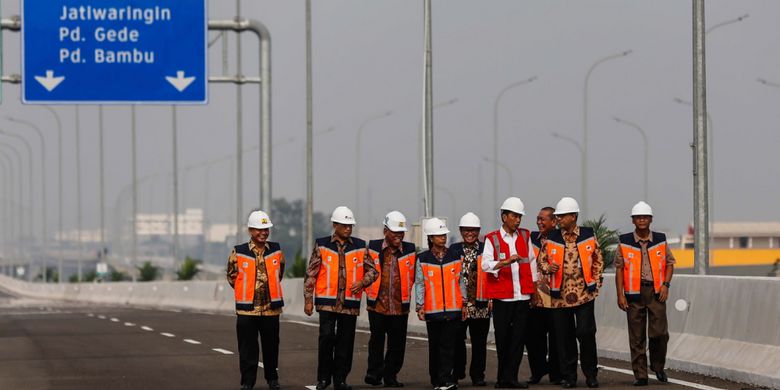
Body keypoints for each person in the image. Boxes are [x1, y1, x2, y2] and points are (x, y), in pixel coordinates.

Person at [304, 206, 378, 390]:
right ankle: (323, 379)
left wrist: (362, 282)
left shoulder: (360, 246)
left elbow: (373, 271)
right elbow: (311, 273)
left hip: (350, 303)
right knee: (326, 339)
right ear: (335, 225)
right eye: (344, 225)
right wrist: (307, 299)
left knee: (346, 342)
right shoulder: (321, 245)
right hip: (327, 303)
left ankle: (341, 380)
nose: (348, 228)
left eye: (350, 225)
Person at [537, 197, 604, 389]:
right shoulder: (552, 238)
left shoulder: (588, 235)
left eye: (562, 216)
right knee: (564, 338)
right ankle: (569, 377)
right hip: (559, 296)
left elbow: (598, 259)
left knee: (586, 333)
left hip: (584, 295)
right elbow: (541, 262)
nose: (558, 219)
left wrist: (596, 282)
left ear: (573, 216)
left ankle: (591, 374)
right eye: (557, 216)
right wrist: (548, 268)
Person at [614, 201, 675, 386]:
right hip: (633, 293)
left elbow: (670, 264)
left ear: (651, 219)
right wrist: (620, 294)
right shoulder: (624, 241)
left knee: (659, 333)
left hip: (656, 292)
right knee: (636, 336)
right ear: (633, 221)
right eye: (638, 217)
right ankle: (640, 374)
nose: (642, 220)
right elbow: (619, 269)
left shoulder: (660, 240)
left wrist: (666, 285)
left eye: (645, 217)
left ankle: (657, 366)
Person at [481, 197, 538, 389]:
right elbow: (485, 265)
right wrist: (504, 262)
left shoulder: (525, 236)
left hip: (522, 296)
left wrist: (534, 292)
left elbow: (532, 263)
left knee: (518, 339)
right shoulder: (492, 239)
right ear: (504, 217)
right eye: (514, 216)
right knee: (503, 338)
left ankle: (511, 378)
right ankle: (501, 378)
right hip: (502, 298)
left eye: (520, 216)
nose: (518, 220)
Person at [226, 210, 285, 390]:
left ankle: (272, 380)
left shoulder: (276, 250)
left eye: (266, 229)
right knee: (247, 349)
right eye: (259, 229)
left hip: (270, 309)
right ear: (251, 230)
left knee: (271, 347)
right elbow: (231, 277)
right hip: (247, 310)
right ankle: (248, 382)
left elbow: (279, 273)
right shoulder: (239, 251)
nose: (263, 232)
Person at [363, 211, 417, 387]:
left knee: (397, 344)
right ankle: (374, 374)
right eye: (395, 232)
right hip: (377, 304)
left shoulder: (410, 250)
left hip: (400, 305)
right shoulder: (373, 247)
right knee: (376, 341)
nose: (399, 236)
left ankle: (391, 376)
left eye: (401, 233)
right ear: (385, 230)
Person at [415, 218, 463, 390]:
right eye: (439, 235)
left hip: (453, 309)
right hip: (432, 310)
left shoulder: (455, 256)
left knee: (448, 346)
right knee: (435, 346)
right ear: (431, 238)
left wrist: (464, 303)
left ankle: (446, 379)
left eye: (444, 235)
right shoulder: (423, 259)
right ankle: (436, 379)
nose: (443, 238)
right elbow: (420, 283)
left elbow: (461, 281)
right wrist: (420, 306)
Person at [452, 212, 490, 387]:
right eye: (466, 230)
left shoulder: (486, 249)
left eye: (474, 230)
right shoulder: (453, 250)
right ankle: (457, 370)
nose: (470, 233)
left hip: (481, 302)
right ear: (460, 231)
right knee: (457, 340)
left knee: (479, 342)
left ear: (479, 230)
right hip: (460, 304)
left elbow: (491, 274)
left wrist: (491, 298)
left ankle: (478, 375)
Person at [526, 207, 562, 385]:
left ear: (554, 221)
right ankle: (538, 371)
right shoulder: (531, 239)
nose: (539, 222)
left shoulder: (561, 240)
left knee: (557, 338)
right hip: (536, 297)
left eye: (543, 219)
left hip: (556, 298)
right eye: (537, 219)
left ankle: (556, 374)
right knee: (533, 338)